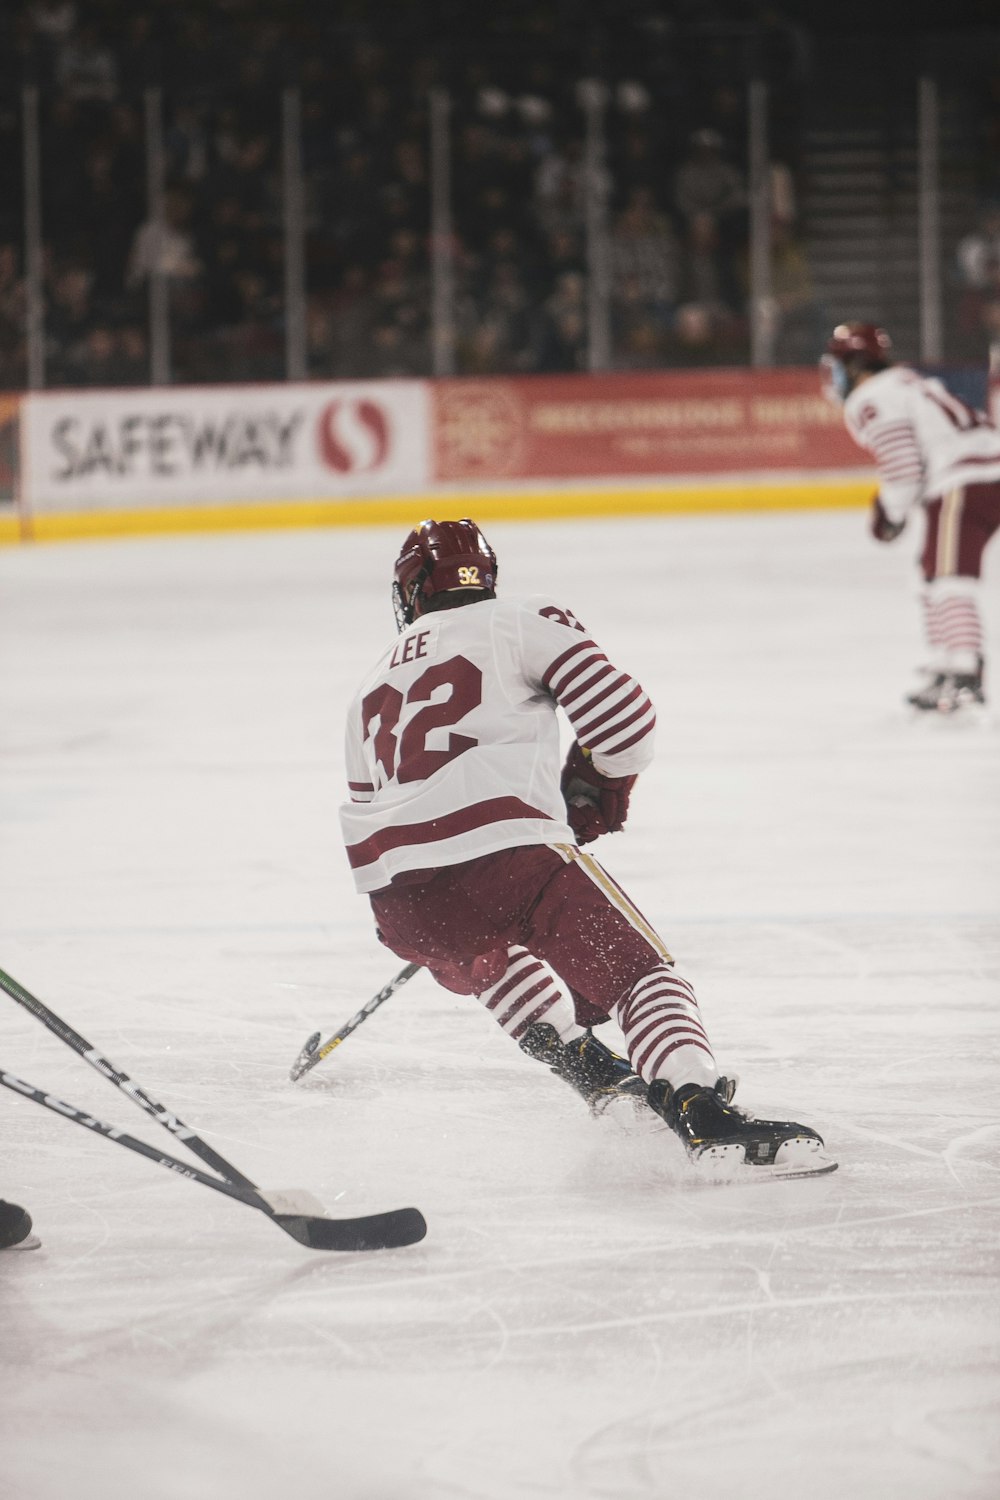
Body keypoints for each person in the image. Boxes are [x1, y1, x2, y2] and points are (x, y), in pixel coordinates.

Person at [337, 519, 834, 1178]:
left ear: (411, 593)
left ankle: (592, 1069)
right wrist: (595, 783)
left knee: (486, 950)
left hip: (398, 899)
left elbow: (373, 803)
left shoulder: (367, 686)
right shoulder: (520, 619)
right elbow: (624, 722)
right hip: (506, 857)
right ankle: (700, 1112)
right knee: (640, 974)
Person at [822, 322, 1000, 713]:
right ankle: (947, 663)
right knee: (930, 574)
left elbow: (903, 467)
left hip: (967, 478)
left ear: (854, 365)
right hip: (979, 472)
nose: (831, 375)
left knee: (950, 579)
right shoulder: (903, 381)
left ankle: (964, 673)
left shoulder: (871, 396)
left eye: (836, 364)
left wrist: (889, 513)